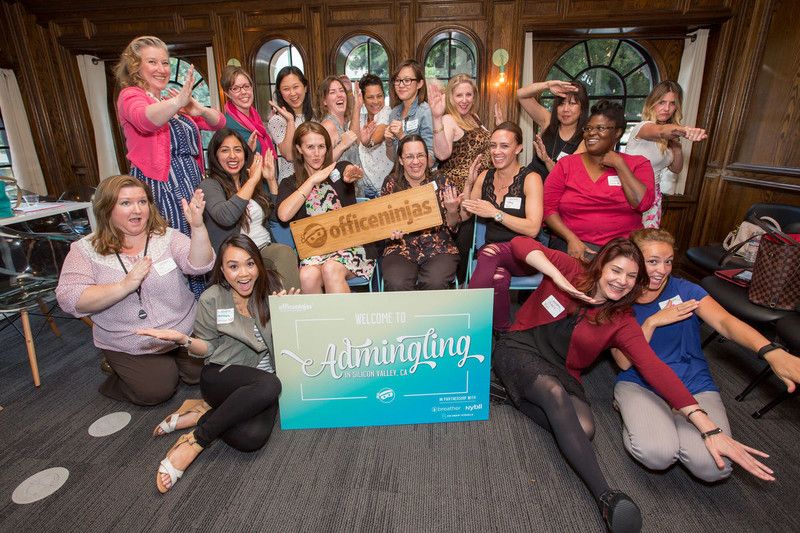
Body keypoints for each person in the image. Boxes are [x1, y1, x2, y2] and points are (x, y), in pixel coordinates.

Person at [493, 236, 776, 533]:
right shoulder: (571, 269)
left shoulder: (621, 319)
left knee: (584, 428)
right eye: (616, 270)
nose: (622, 281)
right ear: (601, 266)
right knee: (554, 395)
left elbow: (653, 367)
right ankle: (605, 496)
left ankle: (509, 393)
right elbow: (520, 244)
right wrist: (556, 277)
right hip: (520, 347)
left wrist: (709, 427)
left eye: (631, 276)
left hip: (562, 369)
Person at [611, 228, 800, 481]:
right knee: (657, 455)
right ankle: (638, 409)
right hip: (641, 383)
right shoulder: (618, 299)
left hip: (692, 382)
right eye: (652, 261)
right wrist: (652, 322)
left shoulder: (686, 291)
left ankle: (671, 417)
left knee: (713, 468)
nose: (662, 270)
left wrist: (769, 351)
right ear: (634, 261)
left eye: (668, 261)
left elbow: (725, 323)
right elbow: (623, 363)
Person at [137, 235, 293, 493]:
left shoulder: (273, 287)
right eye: (233, 266)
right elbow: (207, 348)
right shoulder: (212, 298)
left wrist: (290, 313)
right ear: (222, 269)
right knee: (271, 385)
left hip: (262, 383)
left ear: (258, 265)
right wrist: (184, 340)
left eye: (250, 264)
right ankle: (195, 442)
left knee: (251, 438)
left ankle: (205, 414)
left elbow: (291, 342)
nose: (244, 273)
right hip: (222, 375)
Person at [55, 175, 215, 406]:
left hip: (183, 330)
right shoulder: (85, 250)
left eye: (142, 202)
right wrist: (124, 286)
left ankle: (168, 366)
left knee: (205, 372)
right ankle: (120, 371)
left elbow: (201, 265)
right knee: (156, 391)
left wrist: (198, 228)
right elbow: (70, 298)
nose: (137, 209)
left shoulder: (167, 237)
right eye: (126, 203)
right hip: (132, 343)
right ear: (107, 208)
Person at [114, 36, 224, 297]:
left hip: (191, 183)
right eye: (152, 62)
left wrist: (197, 108)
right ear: (135, 66)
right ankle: (181, 306)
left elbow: (218, 123)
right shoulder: (131, 96)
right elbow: (145, 120)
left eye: (165, 62)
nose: (162, 69)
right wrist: (176, 103)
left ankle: (204, 304)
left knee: (199, 243)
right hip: (162, 187)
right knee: (175, 248)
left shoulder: (170, 100)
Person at [543, 100, 654, 260]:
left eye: (600, 128)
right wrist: (571, 239)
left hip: (621, 250)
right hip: (571, 245)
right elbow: (548, 209)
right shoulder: (566, 164)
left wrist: (620, 164)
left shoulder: (638, 164)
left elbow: (642, 203)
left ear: (618, 132)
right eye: (588, 128)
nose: (591, 133)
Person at [276, 121, 374, 293]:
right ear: (299, 149)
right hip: (315, 252)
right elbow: (283, 215)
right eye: (310, 147)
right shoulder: (289, 183)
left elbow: (347, 171)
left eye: (321, 147)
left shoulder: (339, 169)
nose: (317, 153)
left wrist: (351, 173)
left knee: (331, 268)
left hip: (349, 248)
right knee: (306, 275)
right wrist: (312, 180)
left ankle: (344, 312)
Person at [462, 122, 543, 332]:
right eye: (493, 145)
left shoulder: (531, 179)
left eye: (504, 146)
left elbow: (533, 228)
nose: (496, 151)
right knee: (498, 278)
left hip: (523, 254)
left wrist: (495, 213)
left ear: (518, 148)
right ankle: (504, 333)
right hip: (493, 257)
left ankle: (468, 322)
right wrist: (469, 183)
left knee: (489, 252)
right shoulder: (485, 177)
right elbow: (464, 215)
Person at [198, 129, 300, 290]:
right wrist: (253, 180)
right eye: (225, 150)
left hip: (264, 248)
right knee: (282, 254)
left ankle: (291, 304)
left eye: (237, 150)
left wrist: (271, 180)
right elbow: (226, 216)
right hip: (237, 255)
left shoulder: (248, 181)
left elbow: (275, 217)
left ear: (245, 155)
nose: (232, 155)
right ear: (215, 156)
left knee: (284, 253)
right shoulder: (209, 185)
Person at [429, 74, 494, 282]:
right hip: (458, 193)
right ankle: (455, 288)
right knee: (460, 246)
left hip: (479, 189)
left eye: (468, 94)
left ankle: (467, 283)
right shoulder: (449, 119)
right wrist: (437, 118)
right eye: (459, 95)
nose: (464, 100)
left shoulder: (474, 118)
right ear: (450, 97)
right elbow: (442, 154)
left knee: (476, 245)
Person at [381, 135, 461, 291]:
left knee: (435, 282)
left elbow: (453, 226)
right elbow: (382, 222)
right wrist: (389, 231)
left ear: (427, 157)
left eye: (420, 155)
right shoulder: (391, 183)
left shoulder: (441, 181)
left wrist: (452, 210)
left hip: (439, 246)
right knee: (397, 283)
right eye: (409, 157)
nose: (416, 161)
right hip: (400, 247)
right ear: (401, 160)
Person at [624, 81, 707, 228]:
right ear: (652, 103)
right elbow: (661, 131)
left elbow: (676, 169)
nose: (667, 108)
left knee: (647, 240)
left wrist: (677, 147)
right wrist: (685, 130)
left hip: (654, 195)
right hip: (632, 192)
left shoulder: (670, 136)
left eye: (672, 103)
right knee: (626, 237)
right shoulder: (643, 127)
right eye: (662, 102)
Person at [517, 78, 588, 180]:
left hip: (552, 188)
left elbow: (565, 177)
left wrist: (546, 160)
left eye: (572, 103)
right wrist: (548, 85)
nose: (565, 109)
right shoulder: (548, 121)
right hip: (527, 182)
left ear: (582, 109)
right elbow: (521, 95)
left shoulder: (585, 139)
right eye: (561, 103)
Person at [220, 65, 277, 159]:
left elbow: (262, 140)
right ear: (227, 93)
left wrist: (270, 123)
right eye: (235, 88)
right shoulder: (226, 124)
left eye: (246, 86)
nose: (243, 92)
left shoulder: (255, 117)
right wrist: (248, 151)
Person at [267, 66, 313, 182]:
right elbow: (289, 155)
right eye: (286, 89)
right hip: (291, 183)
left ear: (305, 87)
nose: (292, 93)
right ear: (280, 93)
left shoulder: (316, 116)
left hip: (316, 180)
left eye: (296, 87)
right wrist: (290, 121)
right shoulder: (277, 120)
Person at [385, 59, 433, 166]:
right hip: (402, 174)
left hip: (423, 175)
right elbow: (394, 159)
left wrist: (402, 136)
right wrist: (388, 143)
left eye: (407, 80)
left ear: (419, 84)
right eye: (398, 80)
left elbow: (430, 159)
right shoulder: (394, 113)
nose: (401, 85)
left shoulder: (425, 112)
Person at [353, 73, 392, 199]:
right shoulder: (360, 118)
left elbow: (377, 136)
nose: (376, 101)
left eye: (379, 96)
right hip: (363, 187)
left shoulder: (387, 112)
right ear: (363, 99)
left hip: (383, 187)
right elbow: (353, 140)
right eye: (370, 97)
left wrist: (367, 142)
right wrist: (357, 107)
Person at [317, 75, 360, 165]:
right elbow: (321, 162)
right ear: (324, 101)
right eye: (332, 92)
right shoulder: (328, 125)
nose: (339, 95)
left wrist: (357, 105)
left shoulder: (344, 123)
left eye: (341, 90)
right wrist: (342, 145)